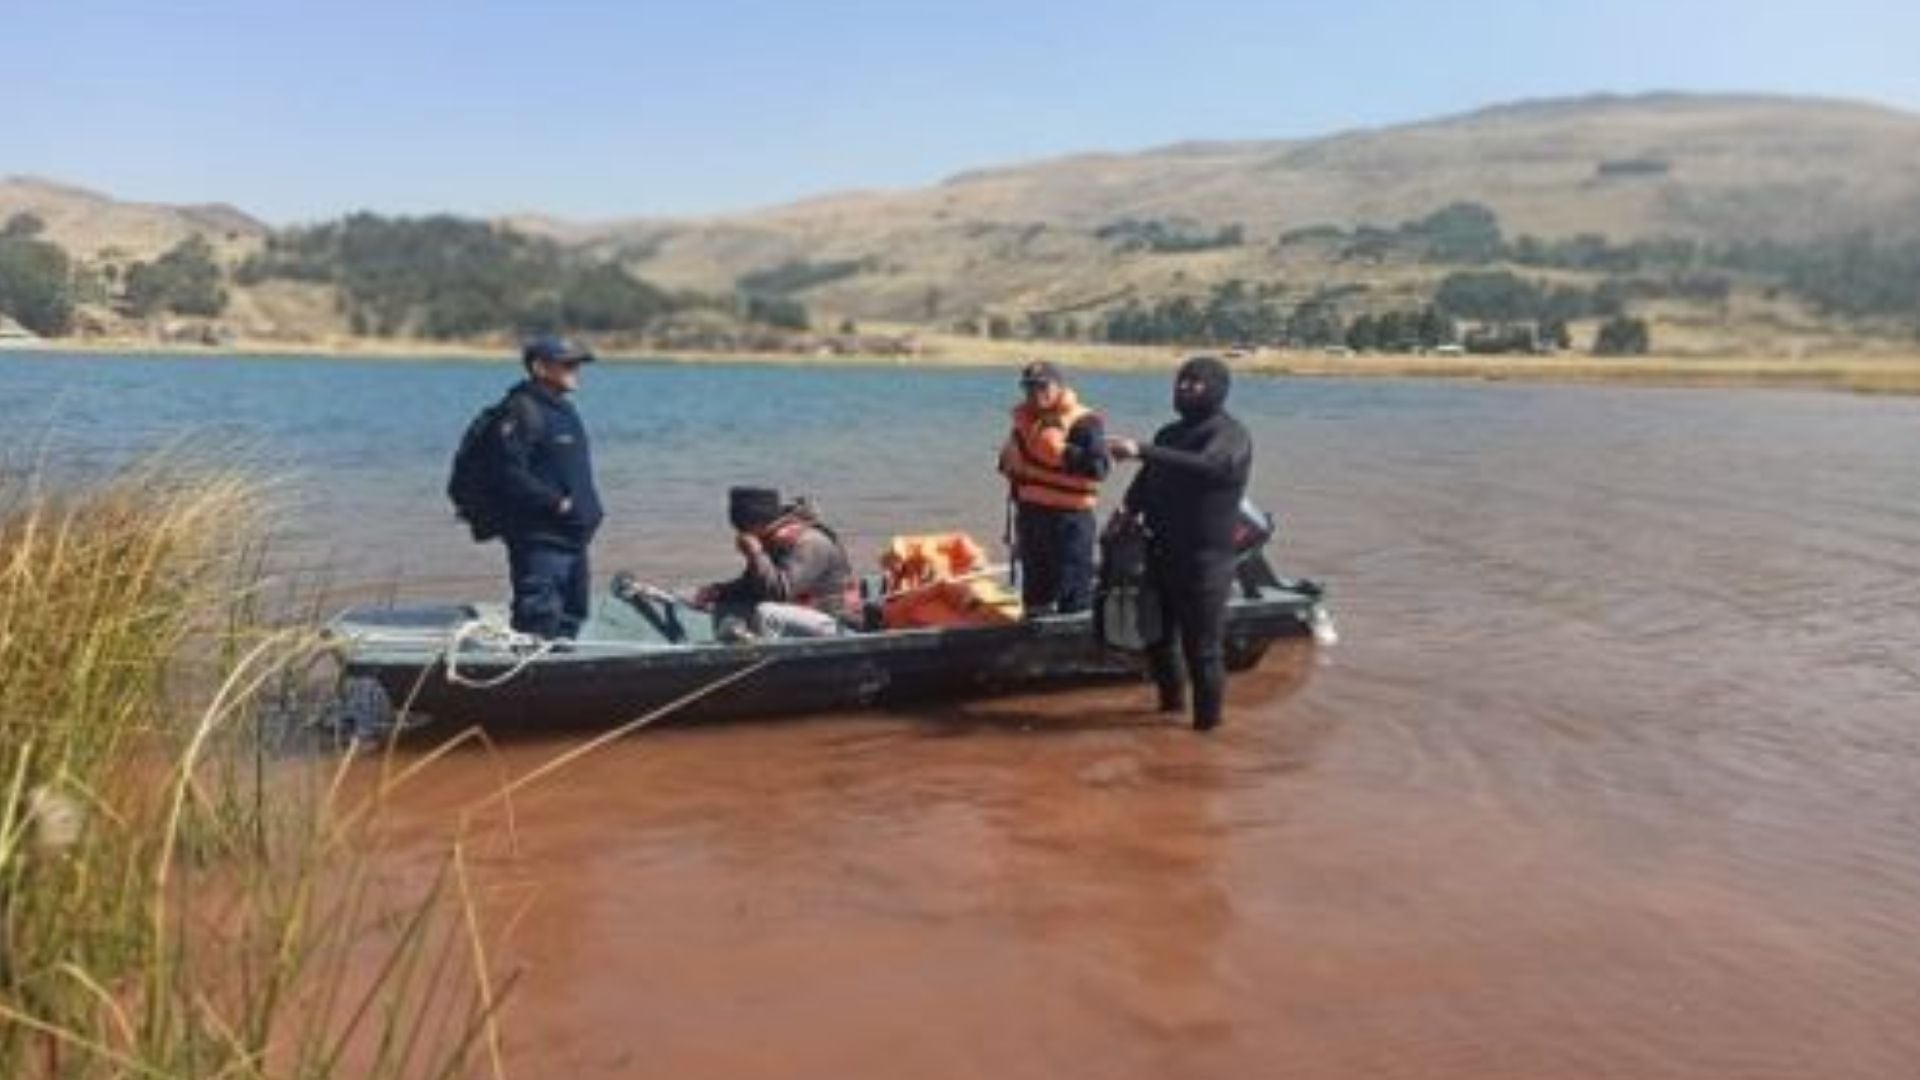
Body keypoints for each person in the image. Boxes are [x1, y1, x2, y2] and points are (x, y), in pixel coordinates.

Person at [1106, 356, 1252, 732]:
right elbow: (1150, 475)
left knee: (1202, 651)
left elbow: (1210, 466)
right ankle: (1169, 713)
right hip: (1161, 551)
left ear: (1217, 389)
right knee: (1157, 639)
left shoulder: (1230, 434)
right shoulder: (1169, 434)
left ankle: (1208, 730)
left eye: (1194, 383)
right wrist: (1127, 507)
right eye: (1180, 382)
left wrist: (1141, 449)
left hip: (1206, 561)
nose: (1184, 388)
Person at [494, 334, 604, 640]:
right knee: (539, 617)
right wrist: (555, 503)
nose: (576, 371)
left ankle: (562, 675)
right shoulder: (521, 410)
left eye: (577, 365)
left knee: (573, 614)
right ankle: (527, 681)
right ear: (540, 368)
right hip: (541, 537)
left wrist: (586, 511)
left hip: (574, 535)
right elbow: (508, 472)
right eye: (568, 365)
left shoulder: (563, 410)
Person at [996, 360, 1110, 616]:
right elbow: (1010, 466)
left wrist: (1059, 452)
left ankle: (1075, 638)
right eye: (1029, 388)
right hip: (1031, 516)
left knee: (1073, 589)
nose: (1035, 394)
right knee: (1036, 591)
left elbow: (1099, 469)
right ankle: (1035, 641)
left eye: (1042, 387)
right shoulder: (1023, 423)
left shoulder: (1084, 422)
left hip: (1070, 520)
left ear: (1059, 386)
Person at [696, 487, 860, 639]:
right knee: (726, 606)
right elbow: (755, 585)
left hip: (835, 622)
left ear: (757, 524)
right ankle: (728, 657)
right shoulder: (770, 539)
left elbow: (779, 592)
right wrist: (719, 591)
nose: (740, 535)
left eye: (743, 529)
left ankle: (761, 659)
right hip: (801, 615)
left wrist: (756, 553)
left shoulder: (809, 542)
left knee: (767, 613)